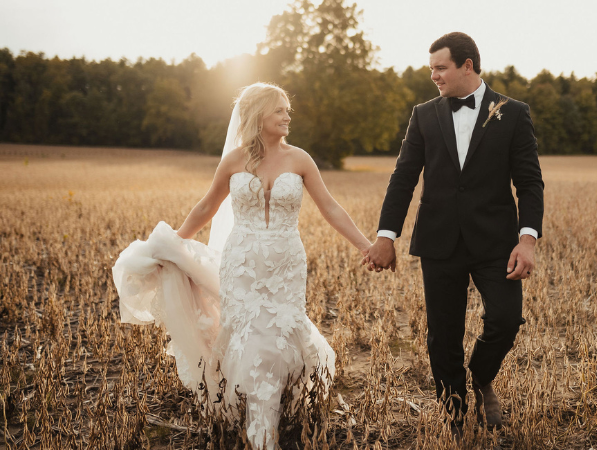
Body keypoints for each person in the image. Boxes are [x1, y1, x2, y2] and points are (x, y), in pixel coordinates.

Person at [113, 82, 372, 449]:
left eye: (287, 110)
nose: (287, 116)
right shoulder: (233, 161)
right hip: (242, 262)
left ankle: (287, 409)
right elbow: (207, 206)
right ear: (258, 115)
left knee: (281, 331)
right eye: (279, 110)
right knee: (248, 335)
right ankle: (260, 431)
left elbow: (330, 208)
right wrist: (176, 241)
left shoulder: (300, 159)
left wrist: (366, 246)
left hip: (285, 263)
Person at [363, 32, 545, 431]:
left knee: (506, 319)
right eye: (431, 69)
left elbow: (529, 183)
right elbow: (403, 178)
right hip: (439, 241)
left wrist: (527, 239)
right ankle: (455, 418)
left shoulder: (512, 113)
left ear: (468, 65)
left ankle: (481, 377)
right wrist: (385, 236)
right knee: (442, 338)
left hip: (496, 242)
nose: (434, 77)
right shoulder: (423, 115)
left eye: (440, 68)